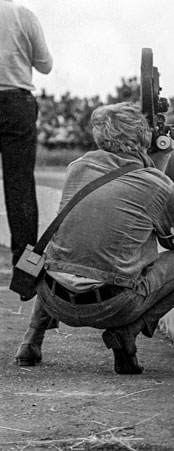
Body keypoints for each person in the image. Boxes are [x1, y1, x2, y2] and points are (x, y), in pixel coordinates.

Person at [15, 102, 174, 374]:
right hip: (111, 307)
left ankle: (31, 339)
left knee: (68, 253)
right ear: (144, 139)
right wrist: (162, 165)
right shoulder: (159, 184)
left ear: (100, 136)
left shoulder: (77, 168)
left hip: (54, 298)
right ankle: (128, 332)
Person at [0, 0, 53, 266]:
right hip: (16, 101)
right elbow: (45, 65)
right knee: (19, 186)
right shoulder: (23, 15)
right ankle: (25, 268)